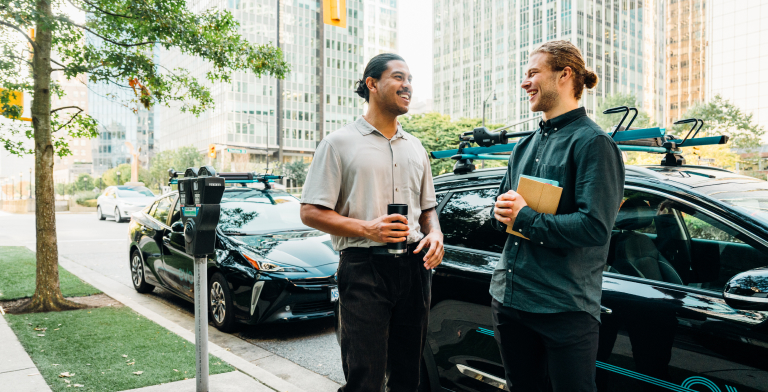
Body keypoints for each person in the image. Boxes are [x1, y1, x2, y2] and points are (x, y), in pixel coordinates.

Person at [300, 53, 444, 392]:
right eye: (398, 77)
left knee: (409, 375)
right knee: (365, 378)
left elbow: (427, 210)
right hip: (363, 268)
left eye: (410, 78)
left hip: (414, 268)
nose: (407, 84)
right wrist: (368, 229)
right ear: (372, 84)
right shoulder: (338, 143)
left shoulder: (416, 148)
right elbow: (310, 211)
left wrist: (435, 233)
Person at [490, 40, 624, 391]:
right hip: (509, 300)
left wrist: (522, 218)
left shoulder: (594, 143)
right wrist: (501, 211)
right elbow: (503, 212)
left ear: (564, 75)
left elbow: (594, 227)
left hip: (564, 310)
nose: (525, 82)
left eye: (533, 73)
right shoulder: (523, 146)